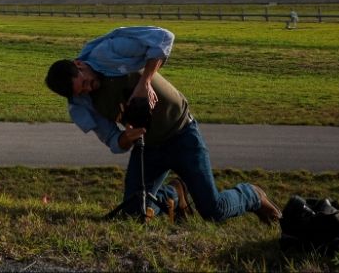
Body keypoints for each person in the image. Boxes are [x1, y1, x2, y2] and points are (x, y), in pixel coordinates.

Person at [44, 26, 281, 224]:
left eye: (85, 82)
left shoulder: (109, 51)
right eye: (81, 91)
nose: (88, 89)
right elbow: (111, 140)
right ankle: (174, 196)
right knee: (134, 213)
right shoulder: (80, 106)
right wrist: (126, 138)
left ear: (79, 64)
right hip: (149, 147)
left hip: (181, 132)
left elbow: (163, 37)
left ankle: (252, 195)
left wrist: (145, 81)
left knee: (213, 211)